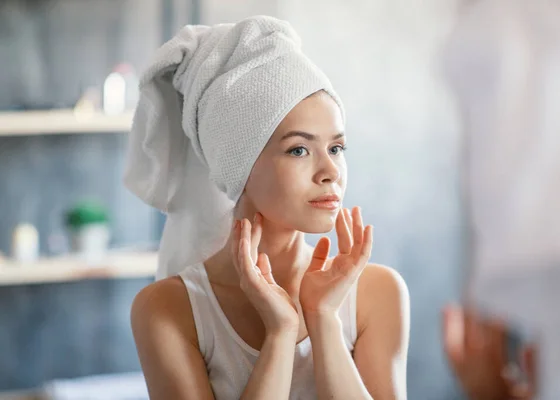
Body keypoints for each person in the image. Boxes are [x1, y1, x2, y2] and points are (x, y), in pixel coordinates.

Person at [125, 16, 410, 400]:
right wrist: (280, 334)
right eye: (299, 149)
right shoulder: (167, 309)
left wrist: (324, 320)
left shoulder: (379, 292)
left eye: (336, 148)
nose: (330, 172)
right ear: (238, 164)